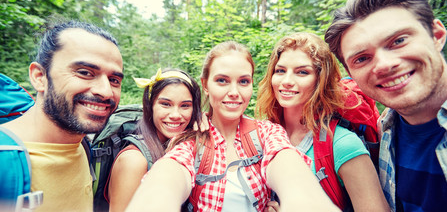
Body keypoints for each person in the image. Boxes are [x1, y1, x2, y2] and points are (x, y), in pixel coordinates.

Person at [125, 41, 339, 212]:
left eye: (244, 81)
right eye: (222, 80)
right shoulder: (190, 139)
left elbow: (286, 162)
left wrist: (302, 198)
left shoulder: (267, 132)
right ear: (205, 85)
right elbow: (170, 173)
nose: (234, 92)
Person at [325, 0, 447, 211]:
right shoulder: (387, 130)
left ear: (437, 35)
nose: (383, 65)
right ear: (351, 75)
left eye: (398, 41)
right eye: (362, 58)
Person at [256, 32, 389, 211]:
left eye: (302, 72)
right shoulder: (263, 135)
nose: (286, 81)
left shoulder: (343, 144)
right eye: (280, 71)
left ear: (321, 81)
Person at [1, 20, 123, 211]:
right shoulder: (4, 159)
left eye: (114, 80)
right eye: (85, 72)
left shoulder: (83, 145)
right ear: (40, 77)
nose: (106, 92)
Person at [107, 68, 202, 212]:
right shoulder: (134, 161)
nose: (175, 115)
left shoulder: (183, 145)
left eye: (185, 106)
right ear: (150, 106)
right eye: (165, 104)